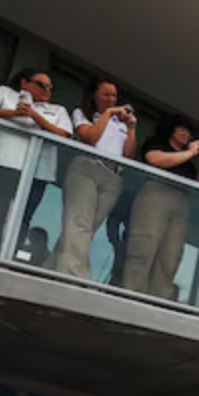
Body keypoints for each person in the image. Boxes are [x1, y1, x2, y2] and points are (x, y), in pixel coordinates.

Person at [0, 69, 72, 256]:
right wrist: (13, 113)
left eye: (51, 87)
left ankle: (10, 259)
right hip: (2, 163)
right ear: (24, 83)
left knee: (23, 220)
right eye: (42, 85)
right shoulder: (6, 93)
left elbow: (64, 135)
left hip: (37, 172)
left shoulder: (58, 110)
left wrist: (35, 116)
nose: (47, 90)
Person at [52, 79, 138, 280]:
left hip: (113, 176)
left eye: (114, 95)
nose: (111, 99)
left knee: (87, 230)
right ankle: (74, 277)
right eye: (106, 94)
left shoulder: (121, 124)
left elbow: (128, 155)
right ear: (93, 96)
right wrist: (108, 114)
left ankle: (51, 267)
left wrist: (132, 128)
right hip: (87, 168)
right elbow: (89, 137)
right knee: (78, 225)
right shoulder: (81, 114)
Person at [123, 116, 199, 298]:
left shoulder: (188, 164)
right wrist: (191, 152)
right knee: (143, 248)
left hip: (181, 205)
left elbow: (198, 187)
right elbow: (155, 160)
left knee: (171, 257)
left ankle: (157, 299)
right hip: (155, 195)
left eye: (189, 132)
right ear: (171, 130)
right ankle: (131, 295)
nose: (187, 134)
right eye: (182, 129)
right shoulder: (156, 143)